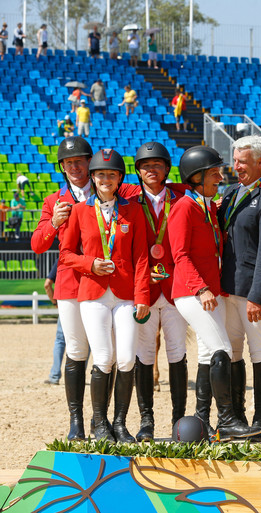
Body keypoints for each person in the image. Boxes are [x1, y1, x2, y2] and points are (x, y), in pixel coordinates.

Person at [168, 145, 261, 441]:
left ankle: (202, 420)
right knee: (222, 349)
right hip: (192, 292)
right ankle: (227, 420)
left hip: (212, 291)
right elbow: (180, 255)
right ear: (195, 178)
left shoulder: (208, 206)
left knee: (209, 353)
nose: (220, 177)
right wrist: (201, 288)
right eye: (213, 173)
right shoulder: (183, 207)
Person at [58, 149, 151, 443]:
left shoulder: (133, 211)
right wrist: (90, 264)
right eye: (100, 174)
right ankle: (99, 423)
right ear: (93, 177)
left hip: (125, 295)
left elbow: (141, 259)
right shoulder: (79, 211)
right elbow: (66, 254)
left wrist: (143, 297)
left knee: (125, 358)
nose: (106, 179)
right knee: (104, 357)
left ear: (120, 178)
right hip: (93, 295)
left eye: (111, 174)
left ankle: (119, 423)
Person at [217, 136, 261, 441]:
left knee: (259, 353)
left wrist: (257, 296)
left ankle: (260, 420)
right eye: (235, 161)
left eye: (243, 162)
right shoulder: (230, 193)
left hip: (255, 294)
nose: (237, 167)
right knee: (233, 354)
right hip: (228, 289)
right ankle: (238, 418)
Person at [31, 137, 95, 441]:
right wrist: (53, 223)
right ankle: (76, 422)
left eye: (80, 161)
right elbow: (37, 244)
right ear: (62, 167)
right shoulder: (54, 200)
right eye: (69, 163)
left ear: (89, 162)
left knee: (106, 353)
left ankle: (101, 420)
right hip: (70, 284)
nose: (75, 167)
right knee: (77, 350)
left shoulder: (107, 189)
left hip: (102, 281)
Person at [129, 142, 190, 441]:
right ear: (138, 171)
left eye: (157, 165)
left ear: (167, 168)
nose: (151, 170)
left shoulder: (181, 196)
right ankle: (146, 420)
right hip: (144, 288)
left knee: (177, 352)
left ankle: (179, 419)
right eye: (145, 166)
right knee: (144, 355)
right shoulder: (127, 198)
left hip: (175, 286)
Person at [43, 259, 66, 386]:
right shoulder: (87, 257)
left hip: (65, 303)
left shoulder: (61, 260)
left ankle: (54, 375)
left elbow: (47, 284)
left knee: (60, 340)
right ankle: (78, 375)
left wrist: (54, 302)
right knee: (84, 342)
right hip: (84, 302)